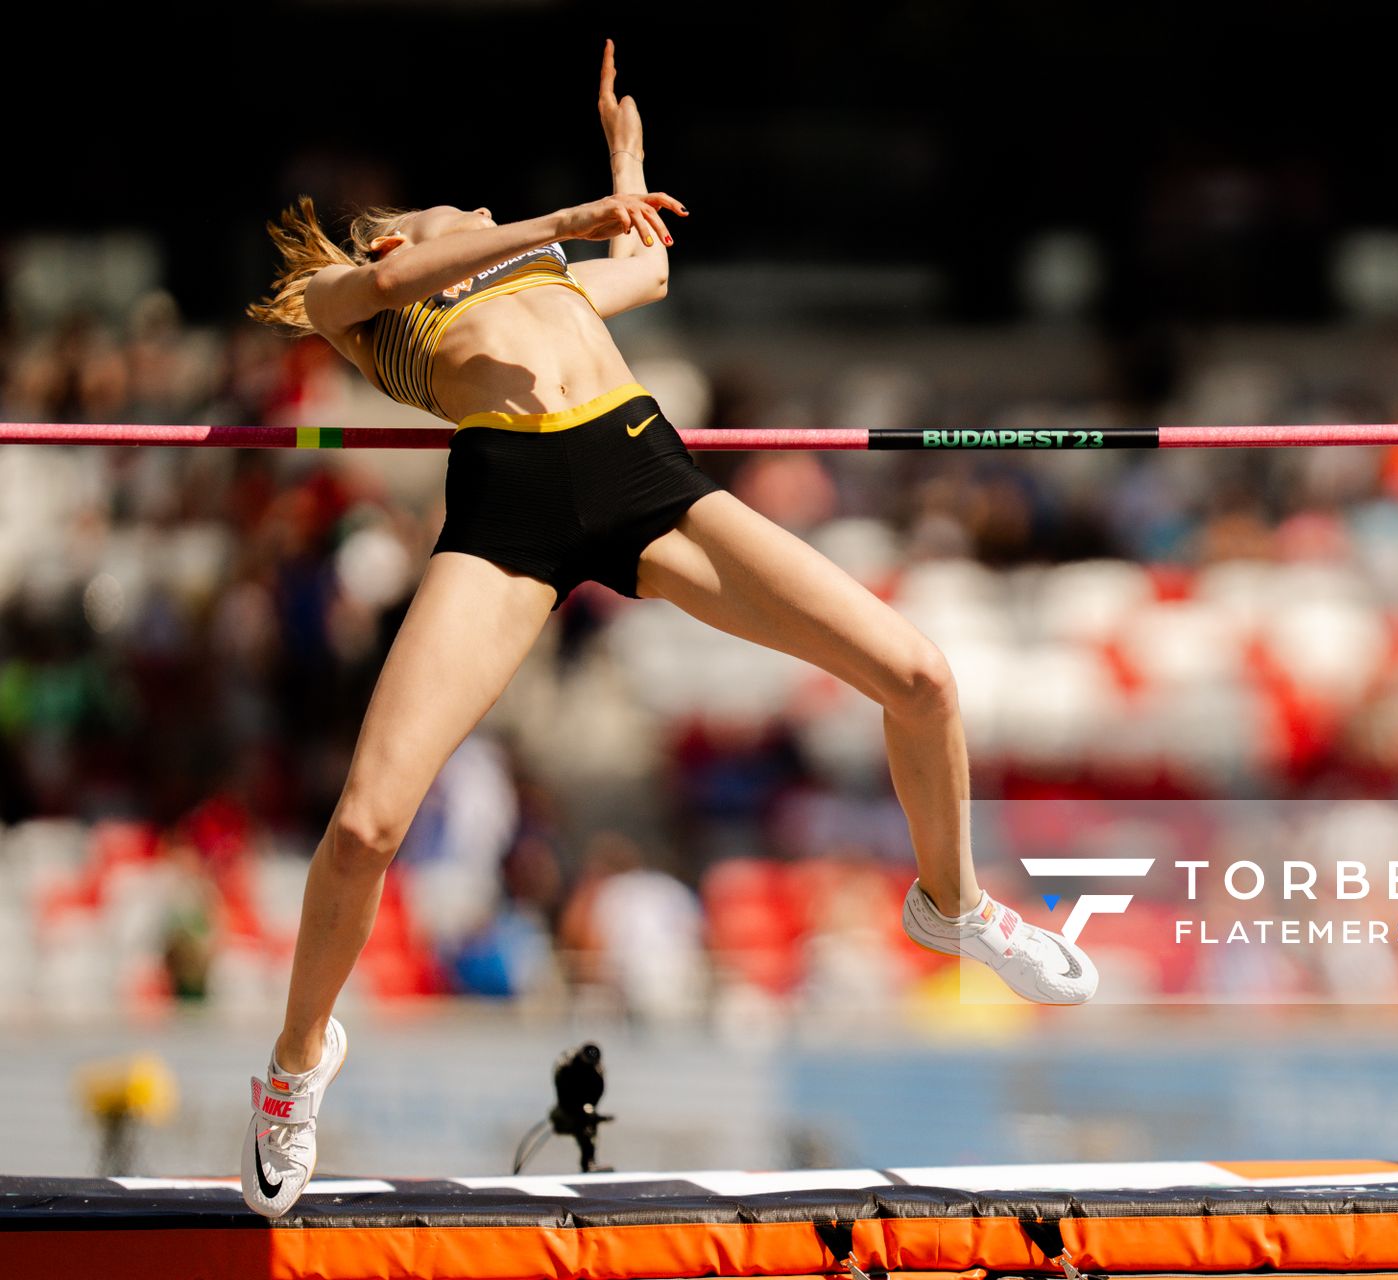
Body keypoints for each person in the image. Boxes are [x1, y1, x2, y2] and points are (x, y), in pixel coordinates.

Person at [237, 40, 1095, 1218]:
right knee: (364, 826)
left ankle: (950, 901)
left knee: (920, 675)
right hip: (509, 516)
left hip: (644, 475)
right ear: (402, 239)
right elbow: (373, 288)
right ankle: (295, 1062)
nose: (484, 209)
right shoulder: (383, 300)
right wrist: (559, 213)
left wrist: (625, 162)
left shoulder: (548, 278)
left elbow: (647, 266)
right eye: (459, 210)